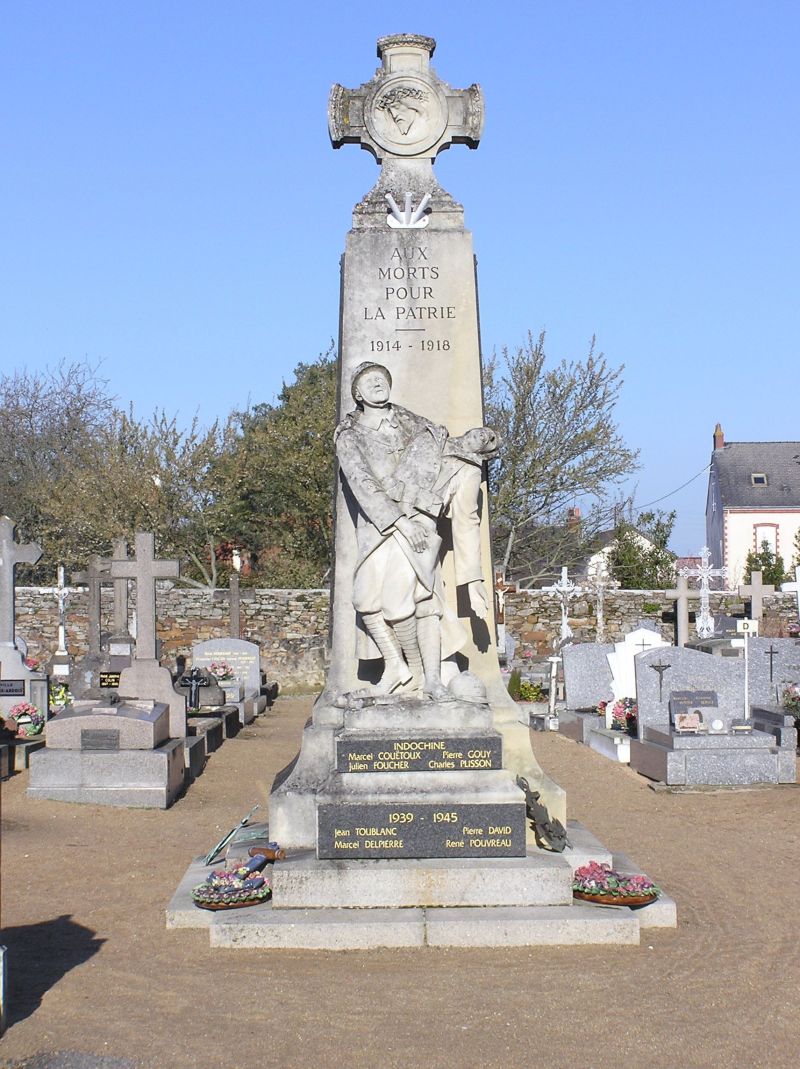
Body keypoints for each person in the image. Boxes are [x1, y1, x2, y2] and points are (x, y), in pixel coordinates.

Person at [334, 361, 497, 700]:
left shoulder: (419, 427)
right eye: (370, 381)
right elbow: (362, 482)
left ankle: (424, 677)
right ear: (358, 394)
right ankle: (397, 665)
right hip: (381, 524)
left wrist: (477, 444)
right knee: (364, 599)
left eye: (382, 379)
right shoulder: (349, 436)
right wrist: (398, 522)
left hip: (418, 523)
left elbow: (452, 469)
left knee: (408, 602)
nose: (378, 384)